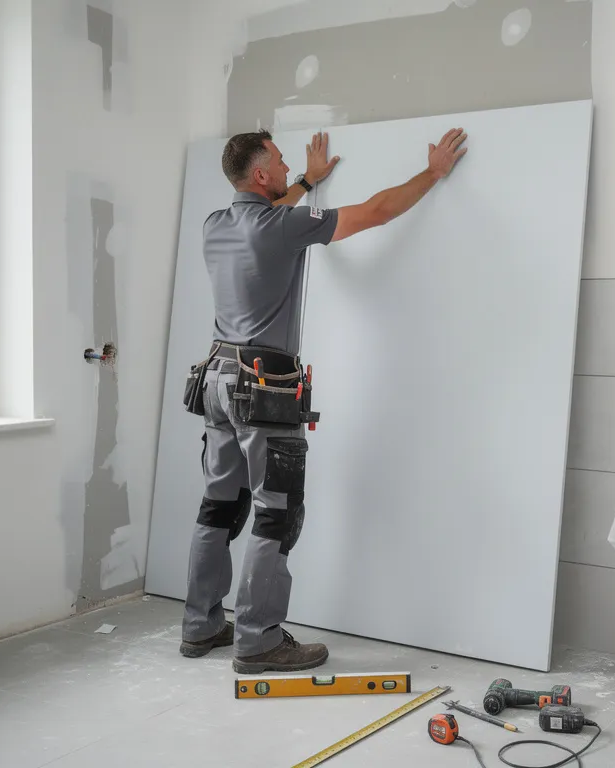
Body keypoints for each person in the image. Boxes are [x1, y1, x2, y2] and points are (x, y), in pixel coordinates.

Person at [180, 126, 469, 673]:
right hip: (262, 384)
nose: (289, 169)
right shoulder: (283, 226)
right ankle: (258, 639)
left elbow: (273, 206)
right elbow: (378, 211)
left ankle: (201, 626)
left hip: (216, 379)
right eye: (281, 163)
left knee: (220, 505)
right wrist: (433, 172)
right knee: (276, 512)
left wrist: (310, 181)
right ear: (262, 174)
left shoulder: (215, 225)